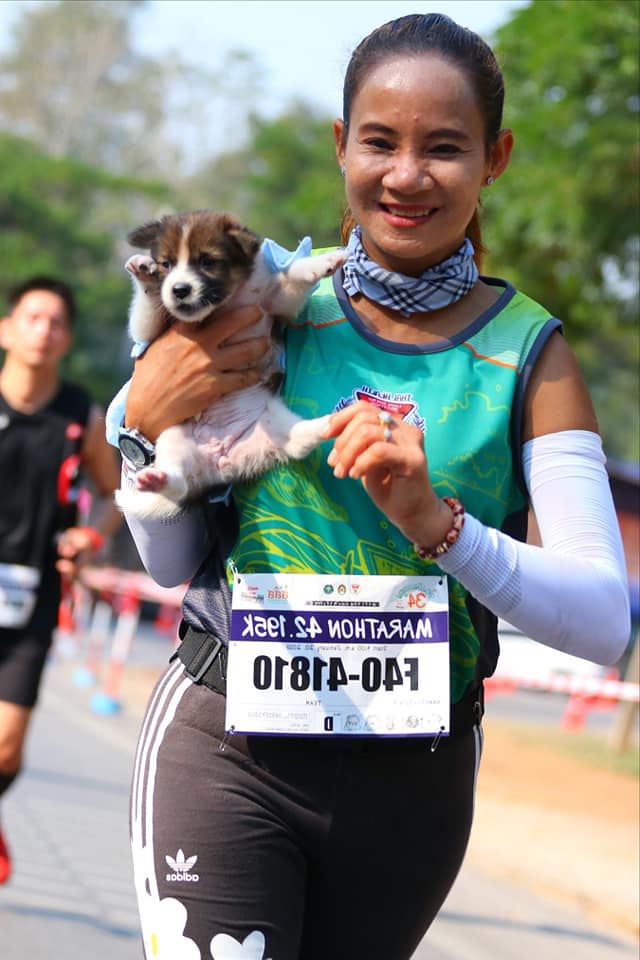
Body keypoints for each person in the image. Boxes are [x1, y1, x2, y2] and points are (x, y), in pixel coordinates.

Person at [109, 13, 630, 959]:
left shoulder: (532, 355)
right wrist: (141, 423)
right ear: (340, 145)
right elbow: (170, 560)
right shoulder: (262, 308)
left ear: (495, 158)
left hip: (414, 790)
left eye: (445, 148)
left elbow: (602, 621)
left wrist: (439, 525)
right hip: (227, 754)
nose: (406, 175)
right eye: (380, 142)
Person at [0, 276, 121, 885]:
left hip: (33, 597)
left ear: (67, 339)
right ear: (6, 329)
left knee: (6, 745)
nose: (43, 331)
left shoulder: (80, 415)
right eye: (32, 318)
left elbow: (114, 494)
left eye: (55, 323)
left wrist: (89, 538)